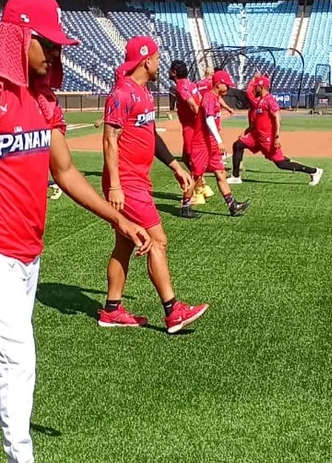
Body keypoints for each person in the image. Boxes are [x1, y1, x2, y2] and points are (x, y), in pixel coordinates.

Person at [0, 0, 152, 463]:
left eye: (58, 47)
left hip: (27, 251)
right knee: (17, 361)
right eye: (47, 45)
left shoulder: (44, 100)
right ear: (19, 37)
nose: (55, 55)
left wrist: (117, 217)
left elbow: (67, 171)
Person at [99, 36, 208, 332]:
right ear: (147, 60)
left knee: (123, 243)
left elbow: (150, 136)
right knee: (158, 240)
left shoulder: (144, 93)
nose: (160, 63)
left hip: (138, 180)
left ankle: (111, 309)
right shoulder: (122, 93)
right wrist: (116, 187)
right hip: (127, 183)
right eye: (157, 58)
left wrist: (175, 166)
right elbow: (110, 140)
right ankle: (173, 311)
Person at [228, 74, 323, 185]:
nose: (255, 88)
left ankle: (314, 171)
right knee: (238, 145)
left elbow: (277, 118)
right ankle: (236, 176)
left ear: (262, 87)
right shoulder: (260, 100)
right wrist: (246, 132)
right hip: (256, 136)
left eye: (257, 86)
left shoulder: (270, 100)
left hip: (267, 138)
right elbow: (257, 122)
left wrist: (277, 137)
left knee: (281, 164)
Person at [180, 69, 250, 219]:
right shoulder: (209, 98)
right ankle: (185, 206)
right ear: (218, 84)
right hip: (201, 144)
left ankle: (232, 206)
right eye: (227, 85)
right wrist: (219, 141)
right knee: (195, 175)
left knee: (220, 173)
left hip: (210, 144)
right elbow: (209, 119)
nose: (229, 87)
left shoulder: (215, 98)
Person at [168, 59, 205, 205]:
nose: (168, 72)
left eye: (170, 70)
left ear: (174, 73)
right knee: (185, 157)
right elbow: (201, 101)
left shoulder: (181, 87)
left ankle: (197, 192)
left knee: (191, 159)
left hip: (191, 128)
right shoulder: (191, 84)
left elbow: (194, 106)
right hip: (192, 126)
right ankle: (202, 184)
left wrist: (201, 122)